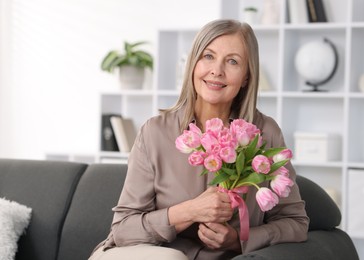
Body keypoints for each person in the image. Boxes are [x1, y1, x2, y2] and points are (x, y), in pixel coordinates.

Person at [89, 19, 309, 260]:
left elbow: (296, 223)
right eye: (208, 56)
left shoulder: (265, 132)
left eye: (232, 61)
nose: (217, 71)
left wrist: (239, 240)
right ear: (193, 64)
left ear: (246, 76)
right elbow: (122, 231)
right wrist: (189, 212)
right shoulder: (154, 133)